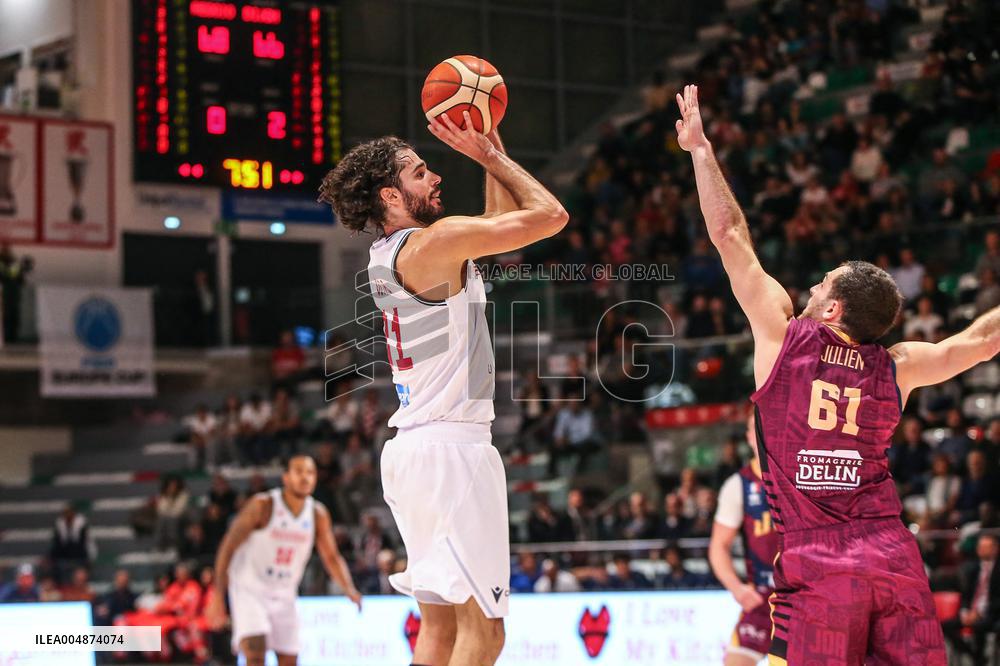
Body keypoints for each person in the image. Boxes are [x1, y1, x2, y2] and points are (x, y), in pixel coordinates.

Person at [676, 83, 1000, 664]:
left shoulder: (783, 337)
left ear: (832, 309)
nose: (811, 286)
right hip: (893, 554)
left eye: (821, 283)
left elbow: (730, 237)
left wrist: (701, 151)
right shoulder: (897, 366)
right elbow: (978, 342)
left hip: (819, 560)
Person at [318, 106, 568, 666]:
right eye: (419, 172)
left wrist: (490, 145)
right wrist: (491, 157)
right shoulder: (433, 244)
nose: (435, 177)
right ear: (389, 196)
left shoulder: (396, 254)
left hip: (414, 452)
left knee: (439, 633)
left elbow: (494, 227)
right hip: (453, 453)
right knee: (485, 635)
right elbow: (550, 215)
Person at [205, 455, 361, 666]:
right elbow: (227, 546)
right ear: (286, 478)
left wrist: (349, 588)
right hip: (249, 588)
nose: (305, 477)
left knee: (289, 658)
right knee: (255, 652)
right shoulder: (263, 505)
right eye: (299, 472)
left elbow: (331, 557)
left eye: (310, 472)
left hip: (285, 591)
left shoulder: (317, 514)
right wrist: (217, 595)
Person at [709, 410, 778, 666]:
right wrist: (735, 587)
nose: (761, 432)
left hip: (802, 595)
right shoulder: (737, 485)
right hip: (761, 597)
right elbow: (719, 545)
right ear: (748, 436)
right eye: (754, 427)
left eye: (766, 425)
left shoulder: (800, 475)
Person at [942, 534, 1000, 661]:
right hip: (971, 612)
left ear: (996, 548)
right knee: (946, 625)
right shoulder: (972, 569)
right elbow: (966, 595)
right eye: (980, 547)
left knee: (979, 626)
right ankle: (975, 656)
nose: (981, 550)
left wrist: (979, 613)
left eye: (986, 547)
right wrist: (965, 612)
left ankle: (978, 658)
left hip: (992, 614)